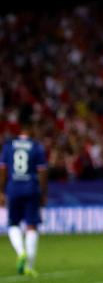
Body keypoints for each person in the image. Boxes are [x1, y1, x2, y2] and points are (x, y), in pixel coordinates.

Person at [0, 109, 47, 278]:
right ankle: (30, 266)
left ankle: (20, 252)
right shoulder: (36, 146)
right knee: (32, 226)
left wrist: (1, 191)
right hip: (31, 188)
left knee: (13, 224)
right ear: (31, 128)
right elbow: (42, 172)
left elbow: (3, 170)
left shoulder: (8, 145)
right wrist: (43, 192)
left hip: (13, 188)